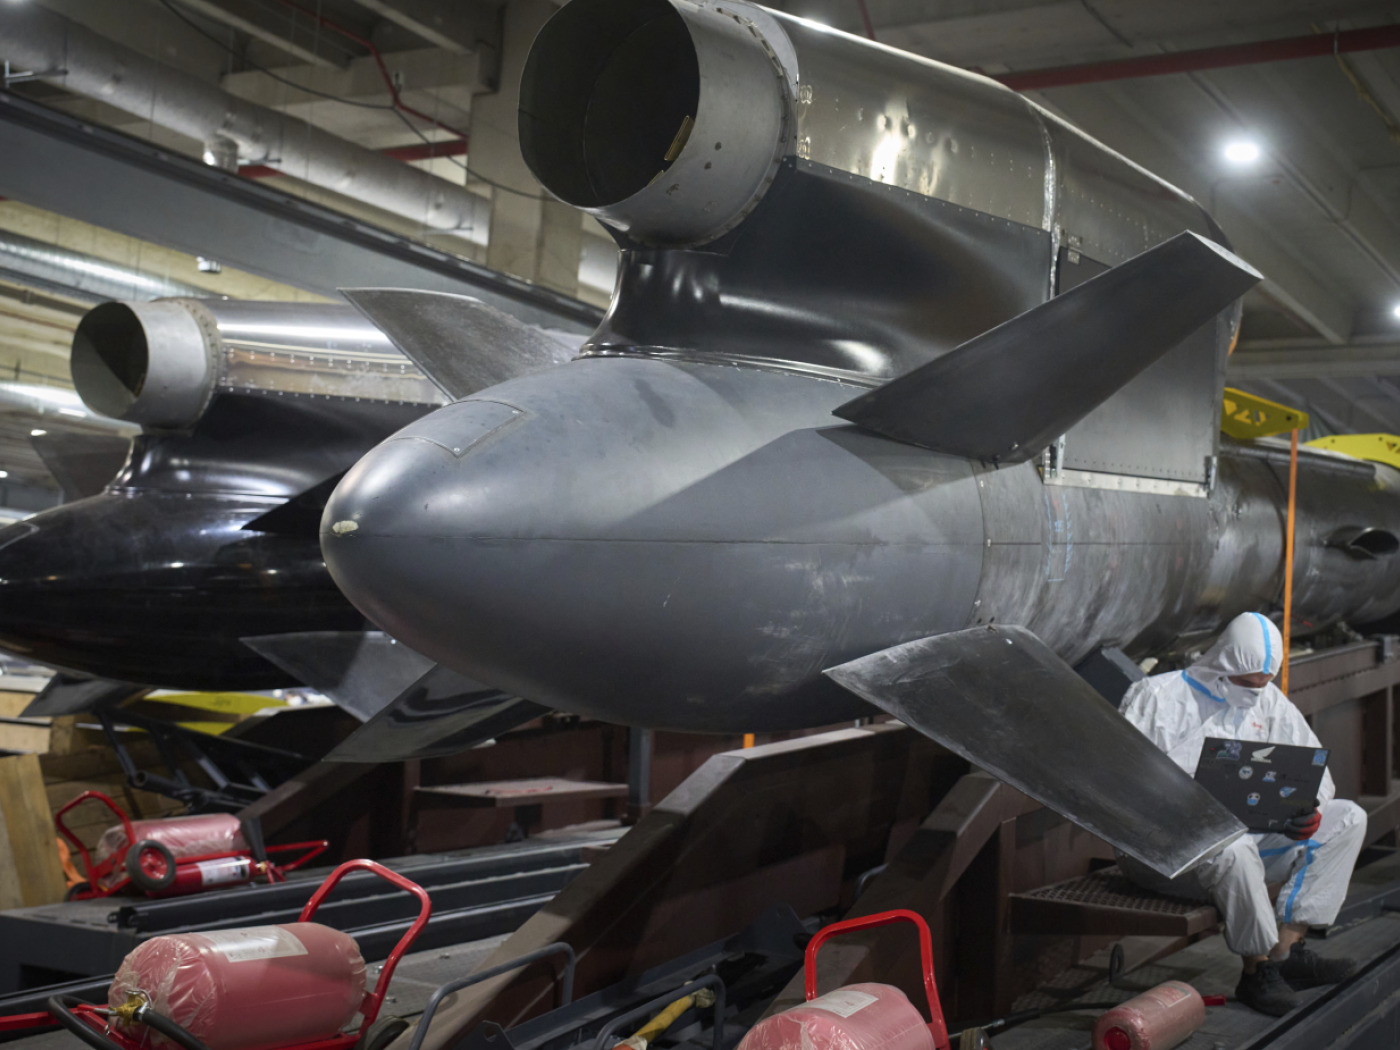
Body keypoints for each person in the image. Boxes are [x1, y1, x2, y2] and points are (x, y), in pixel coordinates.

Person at [1117, 612, 1366, 1016]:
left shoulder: (1268, 701)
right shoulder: (1156, 698)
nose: (1256, 693)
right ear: (1221, 666)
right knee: (1233, 845)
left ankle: (1287, 951)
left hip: (1242, 847)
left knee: (1349, 818)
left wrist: (1309, 809)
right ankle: (1256, 970)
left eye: (1263, 683)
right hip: (1164, 853)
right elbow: (1125, 784)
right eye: (1247, 684)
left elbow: (1315, 770)